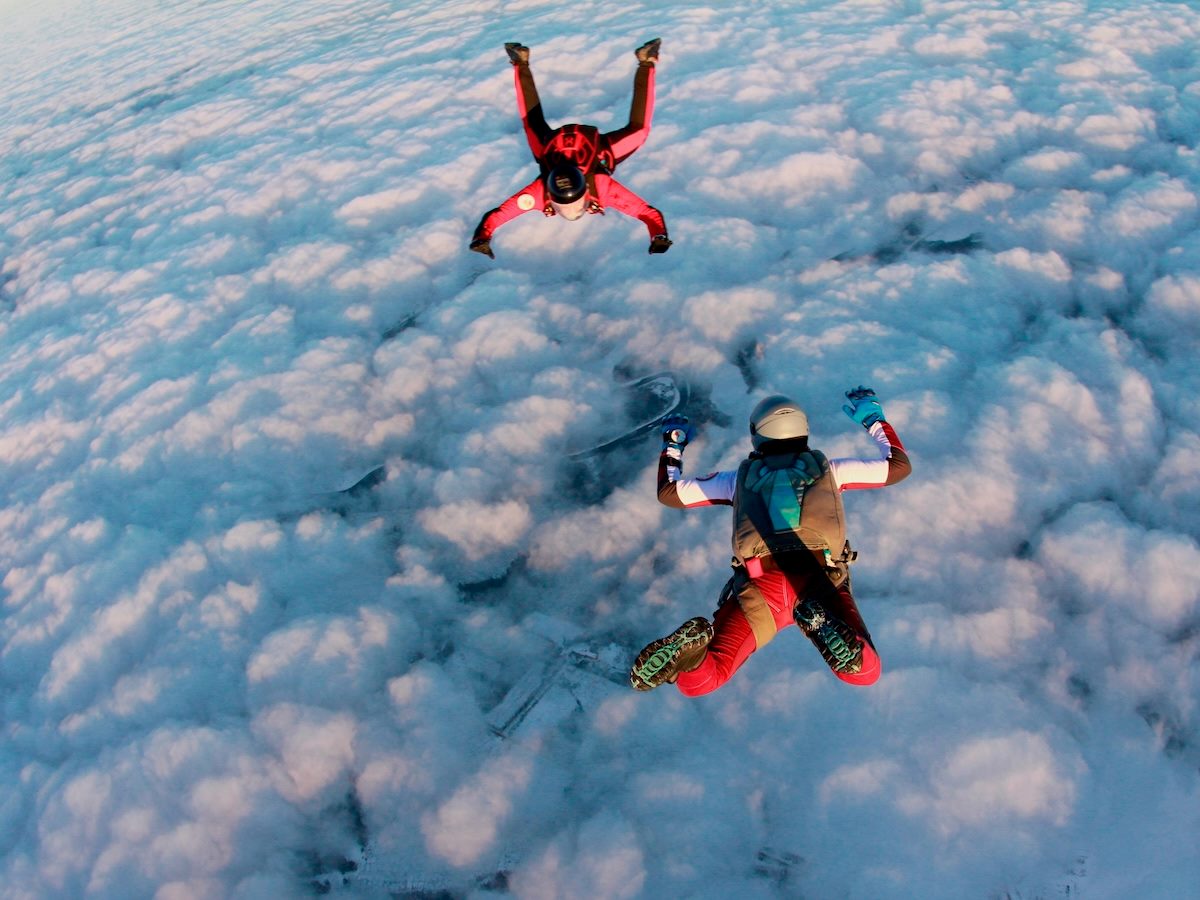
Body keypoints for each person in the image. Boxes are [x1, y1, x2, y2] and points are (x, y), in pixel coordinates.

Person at [629, 387, 912, 695]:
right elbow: (897, 466)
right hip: (817, 579)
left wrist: (673, 443)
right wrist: (873, 419)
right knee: (863, 673)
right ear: (803, 431)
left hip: (761, 584)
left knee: (705, 679)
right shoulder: (831, 471)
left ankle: (689, 659)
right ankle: (822, 627)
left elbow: (669, 492)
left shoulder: (737, 480)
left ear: (757, 435)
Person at [469, 39, 672, 259]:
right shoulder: (541, 192)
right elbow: (646, 213)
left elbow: (647, 213)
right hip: (551, 147)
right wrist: (482, 236)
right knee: (532, 123)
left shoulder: (586, 188)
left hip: (594, 151)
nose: (571, 210)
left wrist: (483, 236)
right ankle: (521, 63)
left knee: (639, 130)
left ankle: (647, 62)